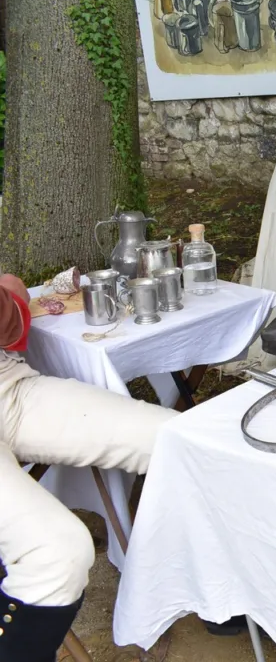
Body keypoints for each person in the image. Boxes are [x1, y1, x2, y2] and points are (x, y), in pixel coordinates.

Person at [0, 273, 178, 661]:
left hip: (7, 383)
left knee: (180, 442)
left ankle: (227, 596)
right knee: (56, 552)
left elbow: (10, 321)